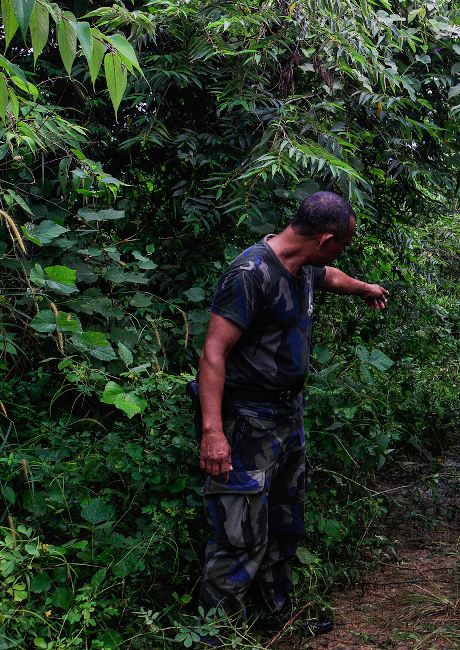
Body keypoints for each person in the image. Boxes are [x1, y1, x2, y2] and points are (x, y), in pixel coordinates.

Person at [196, 191, 388, 634]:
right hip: (246, 423)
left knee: (284, 524)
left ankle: (275, 620)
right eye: (342, 244)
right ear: (324, 239)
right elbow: (213, 353)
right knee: (239, 535)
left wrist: (365, 288)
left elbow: (331, 276)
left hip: (287, 418)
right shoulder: (251, 273)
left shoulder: (304, 265)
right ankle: (218, 637)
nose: (342, 252)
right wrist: (212, 432)